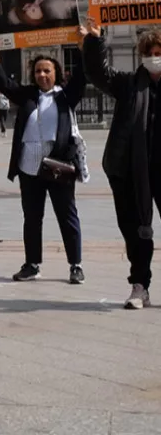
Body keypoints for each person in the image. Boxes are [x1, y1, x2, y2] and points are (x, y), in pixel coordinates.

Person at [0, 33, 87, 285]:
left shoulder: (66, 96)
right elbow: (3, 83)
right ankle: (32, 264)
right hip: (29, 167)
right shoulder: (28, 96)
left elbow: (83, 76)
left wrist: (84, 47)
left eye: (47, 71)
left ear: (57, 73)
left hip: (58, 166)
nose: (42, 75)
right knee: (32, 218)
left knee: (67, 215)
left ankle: (76, 265)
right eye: (38, 71)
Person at [82, 18, 160, 309]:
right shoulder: (128, 84)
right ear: (142, 55)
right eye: (151, 53)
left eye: (159, 52)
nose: (155, 58)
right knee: (135, 229)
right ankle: (140, 286)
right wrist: (94, 41)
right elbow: (97, 73)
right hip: (129, 169)